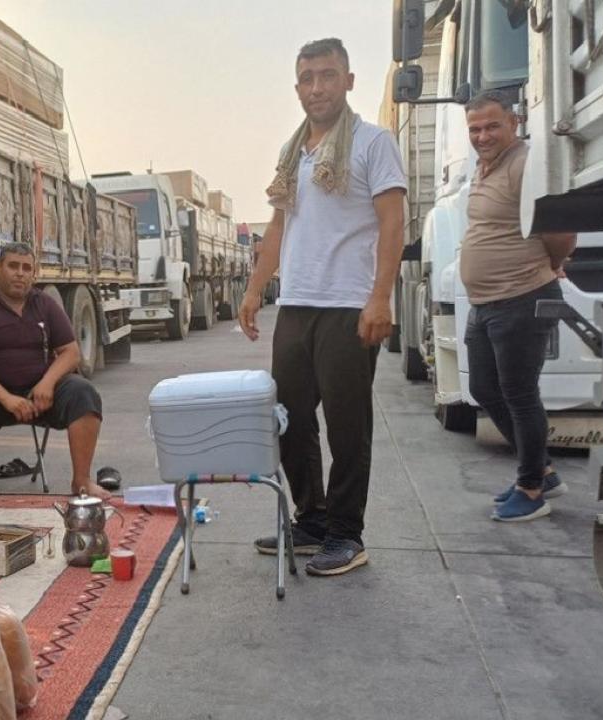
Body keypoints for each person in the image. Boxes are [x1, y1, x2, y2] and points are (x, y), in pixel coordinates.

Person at [239, 38, 406, 576]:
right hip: (297, 304)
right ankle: (312, 519)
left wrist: (380, 297)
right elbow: (278, 225)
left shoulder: (373, 143)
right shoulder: (294, 154)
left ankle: (346, 534)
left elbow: (393, 222)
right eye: (308, 78)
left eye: (328, 75)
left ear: (348, 81)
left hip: (348, 305)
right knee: (287, 419)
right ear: (297, 88)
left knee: (347, 425)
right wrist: (254, 289)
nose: (317, 88)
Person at [458, 91, 574, 522]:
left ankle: (531, 490)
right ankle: (542, 470)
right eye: (475, 129)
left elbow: (561, 231)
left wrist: (552, 266)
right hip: (486, 303)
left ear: (514, 122)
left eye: (492, 126)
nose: (483, 136)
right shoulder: (484, 168)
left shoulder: (525, 164)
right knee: (484, 389)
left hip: (523, 298)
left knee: (521, 395)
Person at [0, 241, 108, 507]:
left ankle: (81, 480)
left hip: (41, 397)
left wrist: (47, 384)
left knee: (84, 392)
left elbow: (71, 353)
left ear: (34, 273)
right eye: (13, 266)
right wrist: (7, 399)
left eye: (26, 268)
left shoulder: (45, 304)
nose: (20, 273)